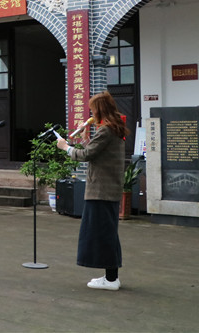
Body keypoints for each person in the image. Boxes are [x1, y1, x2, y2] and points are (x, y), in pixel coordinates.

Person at [57, 91, 128, 291]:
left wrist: (65, 147)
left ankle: (112, 279)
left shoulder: (106, 130)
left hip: (102, 190)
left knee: (104, 234)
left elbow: (87, 155)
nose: (91, 113)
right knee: (106, 233)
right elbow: (95, 151)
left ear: (100, 110)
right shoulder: (113, 128)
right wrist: (85, 135)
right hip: (106, 189)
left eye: (93, 109)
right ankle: (110, 276)